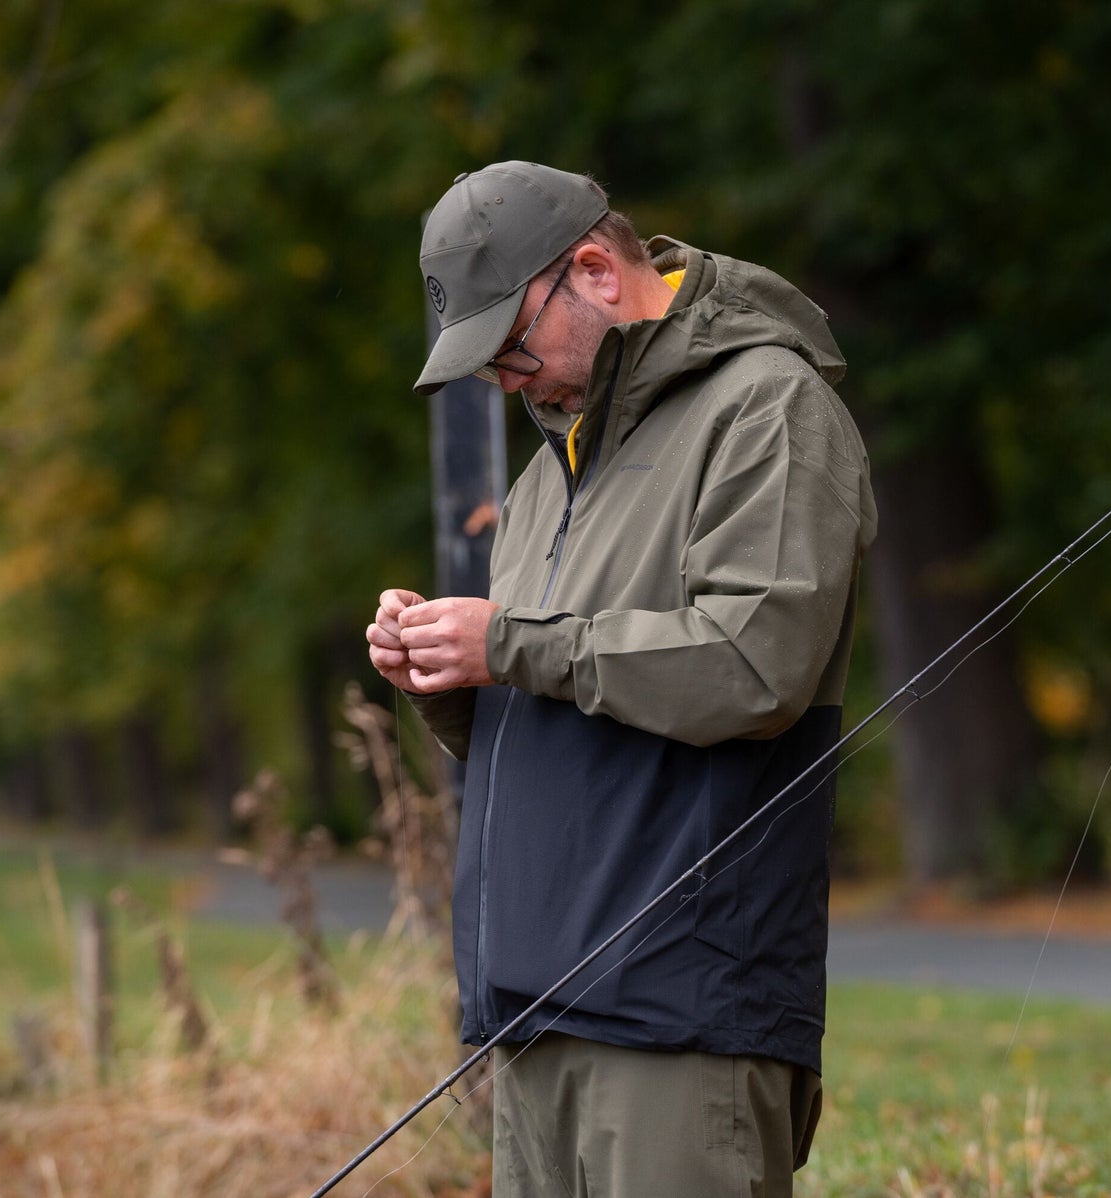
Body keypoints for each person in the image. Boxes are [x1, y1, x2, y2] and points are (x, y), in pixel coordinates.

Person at [366, 160, 877, 1198]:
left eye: (511, 348)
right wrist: (447, 678)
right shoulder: (551, 463)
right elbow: (559, 714)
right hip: (532, 1016)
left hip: (680, 1019)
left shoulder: (765, 407)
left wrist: (510, 641)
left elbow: (753, 666)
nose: (508, 382)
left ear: (594, 271)